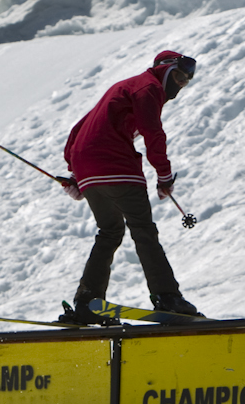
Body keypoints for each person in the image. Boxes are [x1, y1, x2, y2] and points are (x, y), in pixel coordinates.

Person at [55, 50, 200, 324]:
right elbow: (152, 132)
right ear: (163, 69)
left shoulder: (124, 87)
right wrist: (165, 176)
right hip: (115, 164)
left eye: (185, 82)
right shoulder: (148, 88)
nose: (180, 84)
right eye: (179, 76)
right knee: (143, 228)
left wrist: (75, 173)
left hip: (87, 168)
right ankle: (167, 296)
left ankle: (87, 300)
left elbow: (78, 129)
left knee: (109, 231)